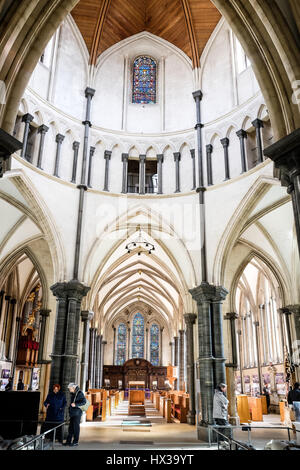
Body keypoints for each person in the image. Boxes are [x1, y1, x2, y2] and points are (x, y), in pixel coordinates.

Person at [63, 383, 86, 447]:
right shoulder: (74, 393)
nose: (69, 390)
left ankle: (75, 442)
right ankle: (68, 441)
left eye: (70, 388)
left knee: (76, 428)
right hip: (73, 413)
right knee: (70, 428)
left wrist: (76, 404)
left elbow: (84, 402)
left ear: (73, 388)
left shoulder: (79, 393)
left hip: (77, 413)